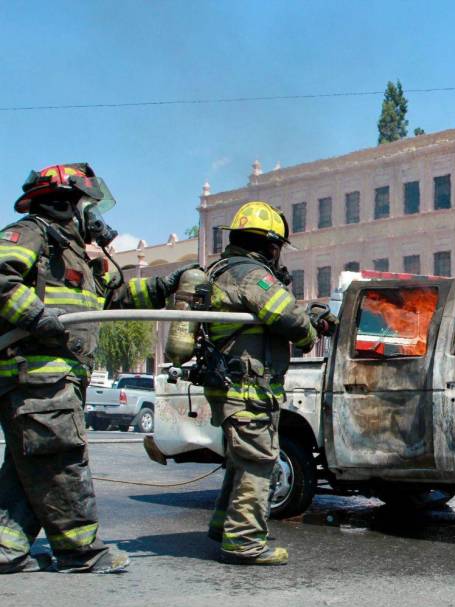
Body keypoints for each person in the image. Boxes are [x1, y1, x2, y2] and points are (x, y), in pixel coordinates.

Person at [0, 163, 195, 574]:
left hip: (58, 377)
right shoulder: (33, 233)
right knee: (60, 460)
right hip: (37, 375)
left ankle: (7, 547)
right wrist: (38, 318)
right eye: (90, 207)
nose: (97, 217)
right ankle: (80, 550)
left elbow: (120, 296)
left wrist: (169, 283)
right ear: (66, 204)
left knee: (29, 467)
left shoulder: (76, 257)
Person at [201, 201, 333, 566]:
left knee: (241, 462)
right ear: (270, 245)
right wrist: (311, 330)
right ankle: (244, 541)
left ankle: (222, 526)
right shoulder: (251, 274)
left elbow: (268, 316)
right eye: (277, 248)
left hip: (234, 384)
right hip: (247, 387)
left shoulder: (224, 270)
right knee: (258, 461)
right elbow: (286, 317)